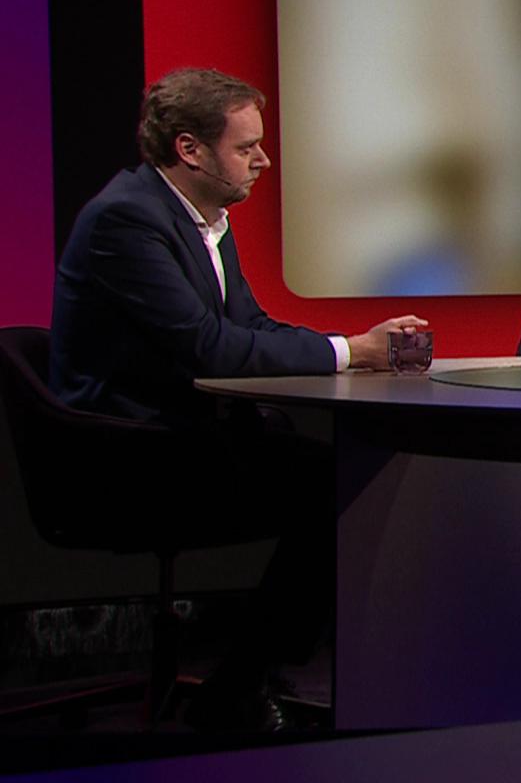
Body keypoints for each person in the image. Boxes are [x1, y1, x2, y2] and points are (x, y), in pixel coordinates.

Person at [49, 67, 428, 730]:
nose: (264, 160)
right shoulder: (127, 221)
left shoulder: (200, 218)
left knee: (340, 469)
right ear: (190, 150)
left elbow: (250, 327)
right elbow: (211, 348)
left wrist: (354, 347)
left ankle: (256, 678)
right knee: (339, 484)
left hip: (184, 437)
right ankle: (238, 688)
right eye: (246, 147)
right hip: (125, 456)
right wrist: (352, 352)